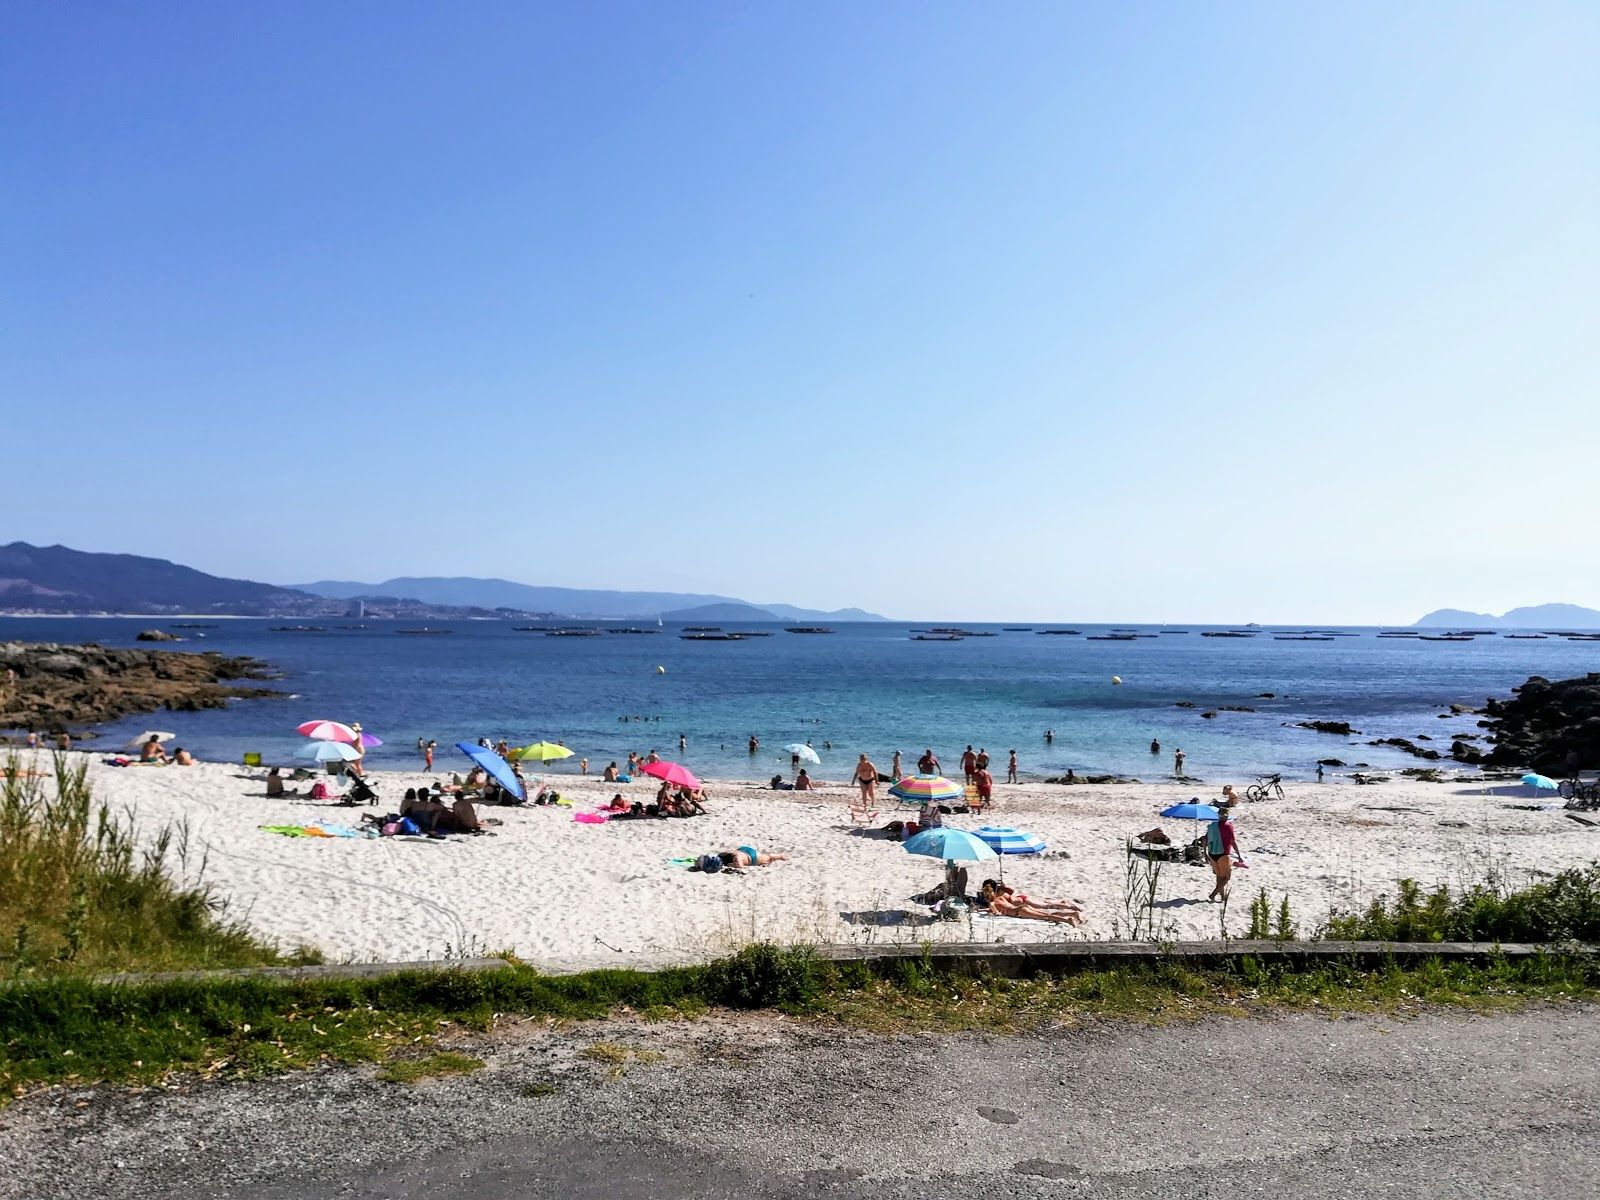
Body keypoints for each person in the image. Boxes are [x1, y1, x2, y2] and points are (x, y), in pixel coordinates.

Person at [979, 880, 1083, 925]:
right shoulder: (1001, 896)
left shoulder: (992, 904)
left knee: (1045, 917)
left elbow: (996, 912)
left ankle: (1068, 920)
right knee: (1047, 913)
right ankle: (1071, 914)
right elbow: (1005, 901)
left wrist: (993, 911)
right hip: (1022, 906)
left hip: (1018, 912)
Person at [1206, 801, 1243, 901]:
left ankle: (1222, 896)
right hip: (1223, 853)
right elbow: (1232, 842)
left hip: (1212, 853)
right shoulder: (1228, 826)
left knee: (1219, 875)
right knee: (1226, 877)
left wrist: (1205, 853)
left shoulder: (1212, 826)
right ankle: (1213, 894)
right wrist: (1239, 855)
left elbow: (1206, 839)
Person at [720, 845, 788, 868]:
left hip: (752, 856)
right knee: (765, 857)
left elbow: (741, 866)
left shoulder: (737, 858)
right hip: (742, 850)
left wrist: (731, 865)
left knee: (767, 858)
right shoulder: (731, 854)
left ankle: (780, 856)